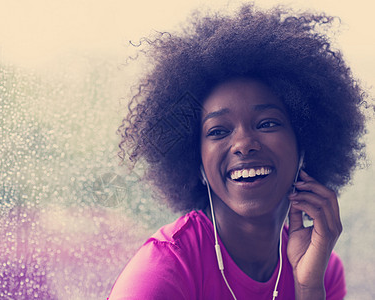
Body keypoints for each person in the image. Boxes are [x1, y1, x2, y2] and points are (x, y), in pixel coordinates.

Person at [109, 4, 367, 300]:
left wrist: (309, 288)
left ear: (304, 145)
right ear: (197, 164)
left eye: (267, 123)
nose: (244, 143)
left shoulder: (321, 267)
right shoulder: (161, 274)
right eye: (218, 131)